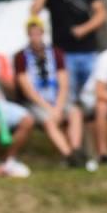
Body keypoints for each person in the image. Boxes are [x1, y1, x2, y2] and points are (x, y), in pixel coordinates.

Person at [14, 16, 85, 167]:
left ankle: (76, 149)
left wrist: (58, 107)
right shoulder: (21, 57)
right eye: (32, 33)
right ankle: (69, 156)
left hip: (56, 98)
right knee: (49, 121)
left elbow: (63, 83)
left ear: (43, 33)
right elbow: (27, 89)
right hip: (37, 101)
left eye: (38, 33)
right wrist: (49, 108)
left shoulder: (55, 53)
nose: (35, 37)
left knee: (75, 112)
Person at [30, 0, 107, 101]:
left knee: (91, 97)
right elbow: (34, 10)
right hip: (63, 53)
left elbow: (101, 15)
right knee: (69, 97)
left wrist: (84, 29)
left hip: (89, 51)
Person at [0, 54, 34, 178]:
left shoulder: (0, 59)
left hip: (1, 104)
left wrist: (0, 77)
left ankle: (8, 161)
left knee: (27, 120)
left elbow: (13, 90)